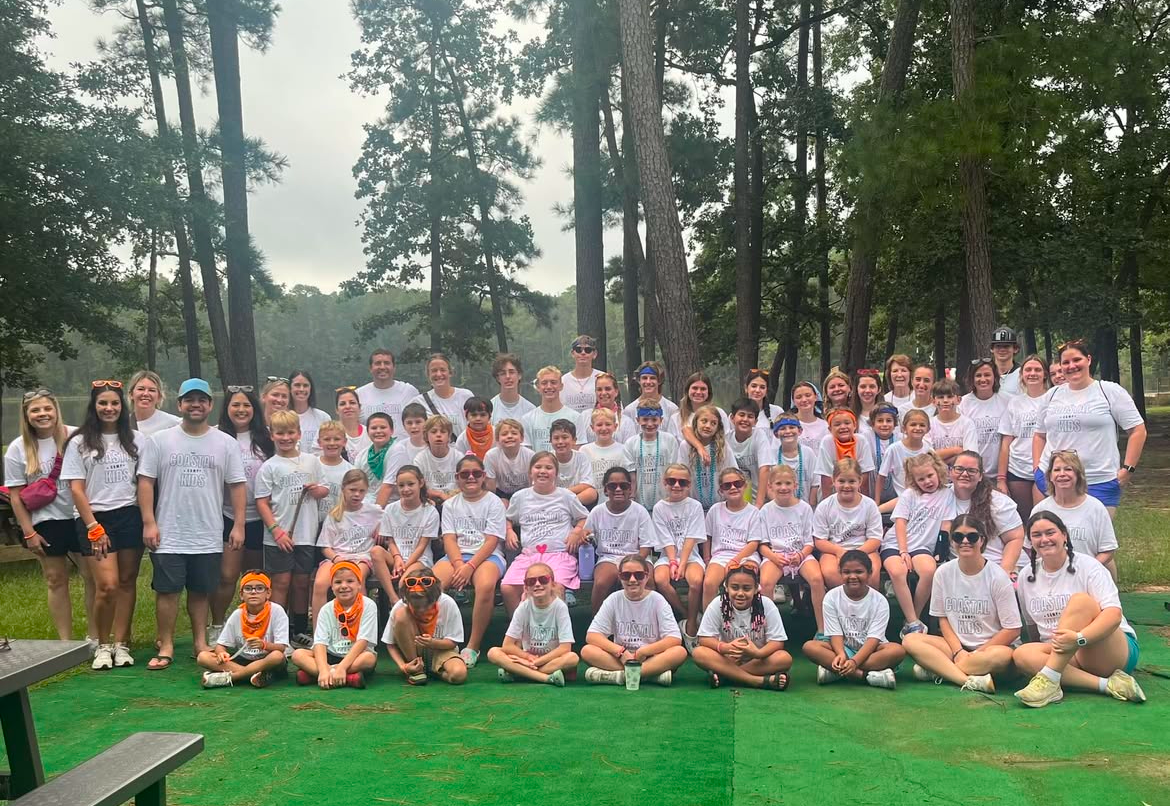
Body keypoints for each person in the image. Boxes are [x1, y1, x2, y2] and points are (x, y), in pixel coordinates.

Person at [137, 378, 246, 670]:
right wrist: (149, 522)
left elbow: (237, 485)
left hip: (208, 531)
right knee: (167, 591)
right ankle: (167, 644)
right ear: (179, 404)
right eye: (189, 400)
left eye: (201, 400)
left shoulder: (226, 442)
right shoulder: (159, 440)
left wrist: (238, 525)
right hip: (169, 531)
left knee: (201, 590)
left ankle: (200, 642)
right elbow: (146, 482)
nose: (195, 405)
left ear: (210, 405)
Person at [1013, 512, 1145, 707]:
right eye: (1037, 535)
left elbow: (1114, 615)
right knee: (1022, 654)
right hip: (1064, 654)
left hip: (1105, 648)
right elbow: (1033, 628)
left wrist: (1079, 639)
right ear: (1030, 541)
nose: (1044, 539)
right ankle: (1106, 685)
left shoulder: (1089, 566)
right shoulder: (1026, 576)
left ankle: (1049, 677)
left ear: (1064, 535)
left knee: (1081, 601)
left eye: (1050, 532)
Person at [62, 381, 146, 669]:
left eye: (114, 403)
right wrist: (93, 526)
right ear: (94, 406)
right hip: (95, 518)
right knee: (107, 586)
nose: (109, 408)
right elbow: (76, 489)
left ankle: (121, 644)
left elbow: (144, 482)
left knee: (126, 581)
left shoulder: (136, 440)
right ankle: (102, 644)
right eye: (103, 403)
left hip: (129, 515)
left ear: (122, 406)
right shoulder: (79, 442)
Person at [902, 514, 1020, 693]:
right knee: (910, 640)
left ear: (982, 540)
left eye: (972, 537)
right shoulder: (943, 573)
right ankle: (966, 680)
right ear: (951, 541)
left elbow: (1012, 629)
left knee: (1000, 656)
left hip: (991, 648)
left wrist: (978, 653)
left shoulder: (997, 577)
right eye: (958, 537)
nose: (965, 541)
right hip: (956, 646)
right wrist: (958, 651)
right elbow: (942, 618)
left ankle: (939, 669)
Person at [7, 390, 87, 642]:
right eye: (35, 410)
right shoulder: (18, 448)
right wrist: (29, 532)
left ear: (56, 410)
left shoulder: (76, 437)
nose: (42, 414)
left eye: (47, 409)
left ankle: (96, 637)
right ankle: (65, 643)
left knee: (92, 577)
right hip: (46, 521)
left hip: (79, 516)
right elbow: (15, 496)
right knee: (55, 579)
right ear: (26, 415)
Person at [1032, 338, 1146, 516]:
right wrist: (1037, 469)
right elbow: (1039, 435)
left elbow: (1138, 430)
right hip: (1056, 481)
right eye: (1066, 362)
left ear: (1089, 360)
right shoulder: (1051, 395)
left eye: (1077, 360)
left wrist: (1128, 469)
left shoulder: (1108, 391)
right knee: (1055, 532)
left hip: (1099, 480)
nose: (1072, 366)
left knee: (1095, 532)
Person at [255, 410, 327, 646]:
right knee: (281, 582)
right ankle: (278, 632)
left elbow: (324, 489)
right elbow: (262, 502)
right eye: (280, 433)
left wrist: (317, 490)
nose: (285, 438)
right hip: (278, 536)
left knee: (301, 582)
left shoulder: (312, 461)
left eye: (290, 432)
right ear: (272, 435)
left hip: (306, 534)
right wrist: (276, 531)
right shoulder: (269, 467)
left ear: (299, 433)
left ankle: (299, 629)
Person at [210, 386, 273, 646]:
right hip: (227, 515)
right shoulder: (216, 436)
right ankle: (217, 625)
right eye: (235, 405)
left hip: (260, 517)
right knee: (227, 575)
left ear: (254, 409)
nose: (241, 410)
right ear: (226, 408)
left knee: (254, 577)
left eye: (246, 405)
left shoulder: (266, 437)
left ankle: (254, 626)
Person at [434, 455, 507, 667]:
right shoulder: (450, 504)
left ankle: (472, 646)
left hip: (488, 556)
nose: (471, 477)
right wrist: (459, 565)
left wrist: (470, 567)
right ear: (457, 477)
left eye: (476, 473)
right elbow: (449, 538)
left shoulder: (493, 502)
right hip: (457, 556)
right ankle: (436, 639)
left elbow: (492, 540)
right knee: (430, 584)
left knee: (485, 585)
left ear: (484, 476)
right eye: (465, 474)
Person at [801, 550, 905, 688]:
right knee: (810, 647)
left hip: (872, 650)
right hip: (844, 648)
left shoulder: (880, 601)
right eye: (847, 572)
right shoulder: (831, 597)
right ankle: (865, 676)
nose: (853, 576)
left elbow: (874, 639)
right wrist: (840, 654)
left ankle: (837, 671)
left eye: (859, 572)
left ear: (869, 573)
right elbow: (835, 633)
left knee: (897, 650)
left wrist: (855, 662)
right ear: (840, 573)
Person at [503, 452, 590, 613]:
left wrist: (576, 532)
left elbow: (585, 517)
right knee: (507, 588)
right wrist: (509, 531)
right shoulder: (520, 497)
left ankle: (556, 627)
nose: (543, 471)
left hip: (559, 555)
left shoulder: (566, 496)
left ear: (556, 473)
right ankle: (520, 627)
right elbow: (509, 518)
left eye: (548, 468)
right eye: (538, 467)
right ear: (530, 472)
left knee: (554, 587)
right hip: (529, 556)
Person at [582, 555, 688, 686]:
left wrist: (644, 651)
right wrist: (620, 652)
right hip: (621, 657)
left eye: (638, 575)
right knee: (587, 651)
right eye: (626, 576)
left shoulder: (657, 600)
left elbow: (674, 639)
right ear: (620, 577)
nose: (632, 580)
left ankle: (619, 675)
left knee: (679, 652)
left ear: (647, 576)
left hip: (650, 657)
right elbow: (592, 636)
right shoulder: (613, 599)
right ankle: (649, 675)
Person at [882, 453, 955, 636]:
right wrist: (903, 551)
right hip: (896, 544)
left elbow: (946, 525)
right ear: (914, 480)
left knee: (929, 571)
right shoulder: (909, 494)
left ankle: (912, 618)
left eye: (930, 475)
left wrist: (941, 551)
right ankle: (914, 622)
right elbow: (900, 523)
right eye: (921, 479)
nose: (927, 481)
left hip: (922, 547)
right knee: (898, 571)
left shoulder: (947, 494)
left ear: (938, 472)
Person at [312, 469, 396, 625]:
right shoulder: (335, 515)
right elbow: (325, 546)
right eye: (352, 490)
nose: (357, 494)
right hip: (338, 557)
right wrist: (337, 559)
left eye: (361, 491)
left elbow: (394, 518)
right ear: (343, 488)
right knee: (320, 583)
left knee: (357, 578)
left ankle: (360, 628)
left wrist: (382, 528)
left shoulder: (374, 511)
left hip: (362, 557)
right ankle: (320, 631)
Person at [692, 560, 792, 690]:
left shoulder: (766, 604)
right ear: (726, 587)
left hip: (757, 661)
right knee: (699, 653)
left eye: (746, 588)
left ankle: (726, 676)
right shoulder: (718, 603)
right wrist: (725, 648)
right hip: (728, 658)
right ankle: (757, 681)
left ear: (756, 589)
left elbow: (777, 642)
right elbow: (704, 638)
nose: (740, 593)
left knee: (784, 658)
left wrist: (757, 653)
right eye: (734, 587)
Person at [487, 562, 579, 685]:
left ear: (553, 584)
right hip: (527, 657)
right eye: (531, 581)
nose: (537, 584)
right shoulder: (523, 607)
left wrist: (534, 662)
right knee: (493, 652)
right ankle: (545, 678)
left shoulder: (560, 607)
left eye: (543, 580)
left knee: (572, 658)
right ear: (526, 587)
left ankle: (519, 672)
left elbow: (565, 648)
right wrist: (527, 657)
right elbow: (507, 645)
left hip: (550, 659)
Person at [758, 466, 825, 635]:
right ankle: (768, 631)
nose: (783, 487)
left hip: (801, 554)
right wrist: (774, 557)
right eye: (778, 483)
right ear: (770, 486)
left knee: (817, 579)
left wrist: (801, 555)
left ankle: (823, 629)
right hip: (775, 555)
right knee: (766, 583)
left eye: (788, 483)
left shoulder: (804, 508)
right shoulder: (766, 510)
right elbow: (762, 545)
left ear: (795, 485)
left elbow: (809, 543)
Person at [291, 560, 378, 689]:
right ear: (331, 586)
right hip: (331, 654)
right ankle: (346, 678)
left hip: (356, 656)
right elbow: (320, 643)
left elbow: (363, 641)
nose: (344, 586)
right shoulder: (326, 609)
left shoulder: (369, 605)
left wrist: (342, 667)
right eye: (338, 582)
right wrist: (323, 669)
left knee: (369, 659)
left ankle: (322, 675)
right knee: (298, 655)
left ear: (359, 584)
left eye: (350, 581)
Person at [197, 571, 288, 689]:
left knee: (277, 656)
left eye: (259, 588)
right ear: (241, 594)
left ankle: (232, 677)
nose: (253, 592)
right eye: (248, 589)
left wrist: (264, 645)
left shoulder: (277, 611)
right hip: (243, 659)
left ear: (268, 593)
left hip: (267, 660)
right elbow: (220, 646)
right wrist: (221, 653)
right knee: (203, 657)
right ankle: (254, 675)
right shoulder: (237, 614)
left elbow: (281, 648)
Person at [1035, 451, 1119, 578]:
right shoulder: (1041, 509)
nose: (1062, 474)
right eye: (1057, 470)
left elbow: (1108, 551)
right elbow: (1031, 547)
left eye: (1068, 469)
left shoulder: (1096, 508)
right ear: (1050, 476)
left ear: (1079, 475)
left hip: (1088, 576)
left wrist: (1085, 570)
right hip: (1051, 577)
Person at [585, 467, 655, 613]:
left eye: (623, 486)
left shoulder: (640, 511)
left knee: (647, 581)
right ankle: (598, 621)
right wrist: (584, 538)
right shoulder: (597, 512)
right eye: (612, 486)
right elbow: (587, 535)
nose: (618, 489)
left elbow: (646, 546)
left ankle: (646, 619)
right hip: (609, 557)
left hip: (637, 556)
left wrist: (632, 564)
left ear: (630, 489)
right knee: (601, 582)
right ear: (605, 490)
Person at [651, 464, 708, 641]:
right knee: (660, 580)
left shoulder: (695, 506)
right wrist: (673, 562)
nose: (676, 485)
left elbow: (691, 537)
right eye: (672, 481)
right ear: (664, 483)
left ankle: (691, 624)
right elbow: (665, 539)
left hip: (690, 556)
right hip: (667, 556)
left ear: (689, 484)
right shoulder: (659, 507)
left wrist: (682, 563)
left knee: (696, 581)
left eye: (682, 482)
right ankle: (686, 614)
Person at [383, 567, 467, 685]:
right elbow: (390, 644)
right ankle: (416, 668)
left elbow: (453, 642)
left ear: (434, 598)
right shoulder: (401, 605)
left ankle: (435, 672)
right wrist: (403, 666)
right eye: (416, 608)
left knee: (459, 674)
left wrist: (432, 643)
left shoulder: (447, 603)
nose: (421, 611)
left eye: (426, 607)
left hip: (441, 650)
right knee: (400, 615)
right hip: (412, 651)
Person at [950, 451, 1026, 577]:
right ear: (950, 472)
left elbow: (1015, 538)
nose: (964, 474)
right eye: (959, 469)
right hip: (961, 569)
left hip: (997, 565)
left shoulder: (997, 501)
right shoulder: (941, 497)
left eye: (972, 471)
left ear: (980, 476)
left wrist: (1004, 573)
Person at [812, 458, 883, 589]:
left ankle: (870, 601)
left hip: (864, 549)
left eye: (851, 481)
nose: (846, 486)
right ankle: (840, 600)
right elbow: (820, 540)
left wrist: (857, 554)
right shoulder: (825, 506)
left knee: (872, 572)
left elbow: (875, 538)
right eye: (841, 481)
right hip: (834, 550)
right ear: (833, 481)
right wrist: (839, 551)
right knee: (830, 572)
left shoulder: (869, 505)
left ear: (860, 481)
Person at [996, 354, 1050, 521]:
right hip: (1018, 470)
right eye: (1028, 370)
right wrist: (1001, 479)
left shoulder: (1053, 399)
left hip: (1046, 468)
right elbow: (1006, 442)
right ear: (1022, 375)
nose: (1032, 373)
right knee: (1024, 520)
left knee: (1044, 518)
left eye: (1037, 370)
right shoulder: (1015, 403)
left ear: (1045, 374)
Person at [701, 468, 763, 610]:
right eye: (727, 485)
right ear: (721, 491)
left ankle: (752, 617)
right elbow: (707, 537)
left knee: (744, 581)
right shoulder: (715, 510)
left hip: (746, 556)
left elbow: (753, 543)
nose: (733, 488)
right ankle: (709, 621)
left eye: (737, 483)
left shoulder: (753, 512)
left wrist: (735, 561)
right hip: (720, 555)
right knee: (709, 583)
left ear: (745, 485)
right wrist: (707, 560)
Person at [379, 465, 441, 583]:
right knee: (376, 551)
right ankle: (390, 593)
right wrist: (397, 558)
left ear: (420, 483)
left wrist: (405, 566)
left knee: (405, 582)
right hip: (395, 557)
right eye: (401, 485)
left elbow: (422, 546)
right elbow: (390, 541)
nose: (406, 489)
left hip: (419, 559)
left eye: (411, 484)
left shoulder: (430, 512)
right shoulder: (390, 509)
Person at [678, 405, 738, 512]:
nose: (708, 426)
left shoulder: (723, 446)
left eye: (713, 423)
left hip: (719, 507)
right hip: (693, 507)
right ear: (696, 422)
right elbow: (681, 476)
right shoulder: (685, 446)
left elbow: (734, 473)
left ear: (718, 427)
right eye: (704, 421)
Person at [625, 396, 680, 511]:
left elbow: (674, 471)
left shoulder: (669, 440)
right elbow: (632, 476)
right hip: (640, 503)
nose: (649, 424)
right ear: (637, 420)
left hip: (666, 502)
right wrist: (631, 498)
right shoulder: (631, 443)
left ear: (661, 420)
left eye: (654, 419)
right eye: (645, 419)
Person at [960, 358, 1008, 477]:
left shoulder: (1007, 401)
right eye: (978, 375)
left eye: (987, 375)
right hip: (972, 473)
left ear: (995, 377)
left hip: (1001, 474)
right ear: (972, 379)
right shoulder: (963, 403)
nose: (983, 379)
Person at [521, 366, 586, 453]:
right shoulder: (527, 419)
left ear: (561, 386)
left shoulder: (576, 417)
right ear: (538, 387)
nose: (549, 386)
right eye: (544, 383)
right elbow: (527, 454)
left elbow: (577, 452)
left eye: (553, 382)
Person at [814, 408, 875, 499]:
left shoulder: (861, 441)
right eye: (837, 424)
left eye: (847, 423)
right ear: (830, 429)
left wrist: (863, 501)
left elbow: (865, 475)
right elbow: (826, 477)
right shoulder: (827, 442)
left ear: (855, 425)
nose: (843, 427)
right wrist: (828, 503)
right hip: (833, 494)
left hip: (856, 493)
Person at [876, 408, 932, 507]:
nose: (917, 428)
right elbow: (881, 477)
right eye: (913, 424)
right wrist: (876, 502)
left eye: (922, 425)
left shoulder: (929, 449)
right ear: (904, 428)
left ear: (928, 429)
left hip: (925, 499)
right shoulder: (894, 449)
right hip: (902, 500)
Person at [410, 353, 475, 433]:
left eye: (442, 370)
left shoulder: (465, 396)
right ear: (428, 374)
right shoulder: (419, 402)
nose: (438, 374)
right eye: (434, 371)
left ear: (450, 372)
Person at [669, 371, 731, 453]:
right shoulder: (676, 418)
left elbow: (726, 442)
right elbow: (672, 448)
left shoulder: (719, 413)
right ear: (687, 390)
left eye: (703, 389)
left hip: (714, 458)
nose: (698, 392)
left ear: (708, 392)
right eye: (695, 388)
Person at [356, 348, 419, 427]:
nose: (382, 367)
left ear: (394, 367)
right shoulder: (359, 395)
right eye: (378, 363)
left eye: (387, 363)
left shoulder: (409, 392)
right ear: (370, 368)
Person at [725, 399, 771, 507]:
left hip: (756, 499)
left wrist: (758, 505)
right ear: (732, 418)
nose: (745, 419)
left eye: (750, 416)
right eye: (741, 415)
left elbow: (765, 469)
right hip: (732, 499)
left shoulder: (759, 436)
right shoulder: (726, 439)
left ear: (755, 421)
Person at [379, 403, 426, 504]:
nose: (414, 426)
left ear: (426, 423)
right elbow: (390, 482)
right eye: (409, 423)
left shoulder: (434, 446)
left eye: (418, 422)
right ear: (404, 426)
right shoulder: (399, 448)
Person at [769, 415, 818, 505]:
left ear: (800, 431)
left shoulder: (808, 453)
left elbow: (815, 483)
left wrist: (811, 506)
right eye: (783, 428)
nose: (788, 431)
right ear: (776, 434)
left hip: (804, 508)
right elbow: (769, 486)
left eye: (792, 427)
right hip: (779, 507)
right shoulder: (771, 455)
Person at [314, 421, 354, 532]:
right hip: (313, 526)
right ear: (319, 442)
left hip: (339, 526)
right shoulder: (311, 466)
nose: (332, 443)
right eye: (327, 439)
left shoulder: (350, 470)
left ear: (344, 442)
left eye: (337, 439)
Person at [549, 419, 599, 507]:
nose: (560, 442)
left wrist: (564, 494)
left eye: (565, 437)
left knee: (591, 493)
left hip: (574, 497)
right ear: (550, 441)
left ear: (574, 440)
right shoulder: (547, 459)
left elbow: (587, 484)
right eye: (556, 438)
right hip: (553, 497)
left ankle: (564, 507)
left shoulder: (582, 457)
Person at [929, 378, 978, 465]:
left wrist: (939, 458)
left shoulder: (967, 424)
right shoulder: (929, 424)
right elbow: (927, 458)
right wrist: (957, 450)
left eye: (950, 396)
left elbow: (970, 457)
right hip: (935, 473)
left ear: (958, 400)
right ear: (933, 401)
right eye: (940, 397)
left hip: (961, 472)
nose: (945, 400)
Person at [484, 419, 534, 503]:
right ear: (497, 439)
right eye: (504, 434)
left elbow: (533, 482)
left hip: (525, 493)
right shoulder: (491, 456)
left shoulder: (530, 455)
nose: (509, 436)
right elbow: (490, 486)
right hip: (502, 493)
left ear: (522, 438)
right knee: (503, 504)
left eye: (514, 433)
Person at [413, 415, 461, 503]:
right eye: (433, 432)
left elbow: (464, 485)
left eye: (443, 432)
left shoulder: (458, 457)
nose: (438, 435)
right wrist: (440, 495)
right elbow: (418, 487)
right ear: (426, 436)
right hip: (429, 502)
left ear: (449, 436)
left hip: (455, 501)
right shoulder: (420, 459)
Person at [580, 408, 628, 492]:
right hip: (593, 498)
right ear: (592, 427)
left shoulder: (623, 449)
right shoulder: (584, 450)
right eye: (599, 425)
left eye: (608, 424)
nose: (604, 428)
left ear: (615, 426)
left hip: (615, 497)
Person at [582, 373, 637, 444]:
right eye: (599, 389)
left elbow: (630, 448)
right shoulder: (585, 417)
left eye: (607, 389)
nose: (603, 393)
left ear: (616, 392)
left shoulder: (626, 422)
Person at [353, 412, 395, 504]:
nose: (378, 431)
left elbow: (388, 486)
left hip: (391, 505)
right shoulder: (362, 455)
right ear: (367, 432)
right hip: (365, 503)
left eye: (383, 427)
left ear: (392, 431)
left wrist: (376, 511)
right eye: (374, 428)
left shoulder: (397, 450)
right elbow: (355, 483)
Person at [288, 370, 331, 456]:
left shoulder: (323, 418)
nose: (301, 389)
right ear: (289, 388)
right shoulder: (282, 418)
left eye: (305, 385)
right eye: (297, 385)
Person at [127, 370, 181, 435]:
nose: (146, 393)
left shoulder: (175, 423)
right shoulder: (122, 424)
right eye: (141, 389)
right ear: (131, 394)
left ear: (159, 396)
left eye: (152, 390)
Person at [489, 353, 536, 424]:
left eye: (511, 372)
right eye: (503, 373)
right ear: (498, 378)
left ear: (519, 375)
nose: (508, 376)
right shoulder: (490, 408)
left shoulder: (530, 410)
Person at [560, 335, 604, 412]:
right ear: (573, 353)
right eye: (578, 350)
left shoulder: (603, 379)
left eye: (588, 350)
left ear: (594, 354)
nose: (583, 353)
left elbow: (615, 408)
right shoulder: (562, 381)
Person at [869, 405, 900, 506]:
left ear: (895, 424)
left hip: (895, 495)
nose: (885, 424)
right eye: (880, 421)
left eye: (889, 420)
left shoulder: (901, 439)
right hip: (872, 493)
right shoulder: (866, 439)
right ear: (872, 423)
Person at [334, 387, 371, 462]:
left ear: (359, 408)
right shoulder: (327, 434)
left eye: (352, 403)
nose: (348, 406)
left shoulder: (370, 434)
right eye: (342, 404)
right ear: (337, 410)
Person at [453, 397, 494, 461]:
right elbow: (459, 462)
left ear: (489, 416)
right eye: (474, 415)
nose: (478, 418)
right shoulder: (462, 439)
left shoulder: (497, 434)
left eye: (483, 415)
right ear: (466, 416)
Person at [790, 381, 827, 451]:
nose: (804, 400)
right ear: (793, 401)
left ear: (815, 397)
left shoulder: (826, 426)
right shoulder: (787, 424)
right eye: (799, 397)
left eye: (808, 395)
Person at [850, 368, 886, 436]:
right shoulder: (849, 415)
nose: (867, 390)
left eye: (872, 387)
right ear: (856, 389)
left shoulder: (888, 414)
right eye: (863, 387)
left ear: (879, 389)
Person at [990, 326, 1022, 396]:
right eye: (998, 346)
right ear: (992, 349)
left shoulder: (1022, 373)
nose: (1002, 349)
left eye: (1006, 346)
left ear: (1015, 349)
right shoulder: (984, 373)